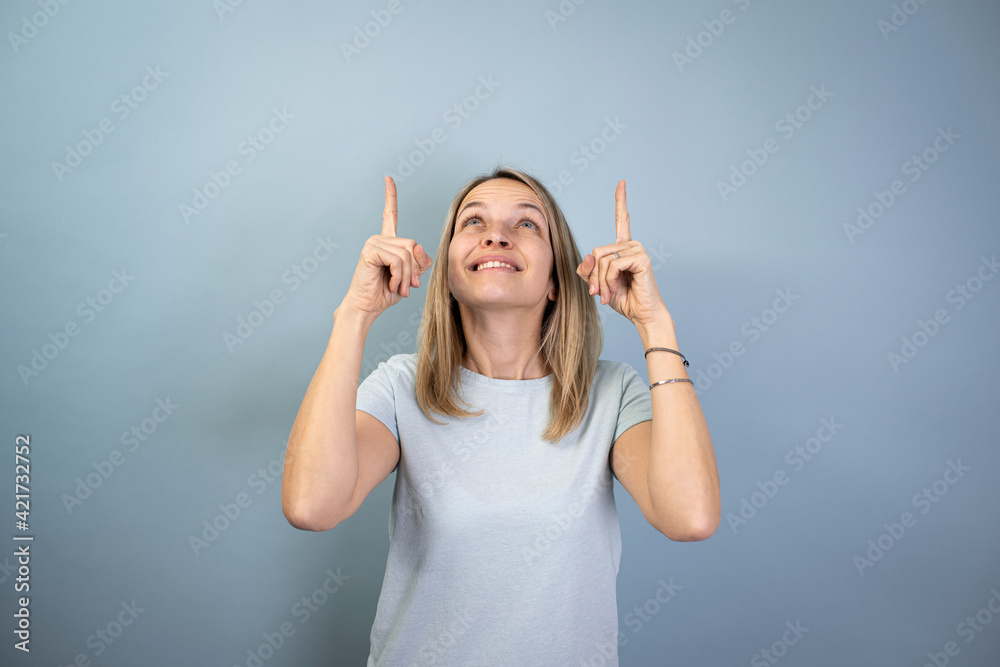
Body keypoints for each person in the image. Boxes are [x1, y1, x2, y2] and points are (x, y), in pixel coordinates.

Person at [281, 166, 720, 665]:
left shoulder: (612, 392)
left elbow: (691, 517)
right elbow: (312, 507)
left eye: (527, 224)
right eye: (473, 222)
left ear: (556, 279)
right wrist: (355, 313)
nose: (496, 235)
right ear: (446, 272)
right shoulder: (402, 387)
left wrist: (654, 323)